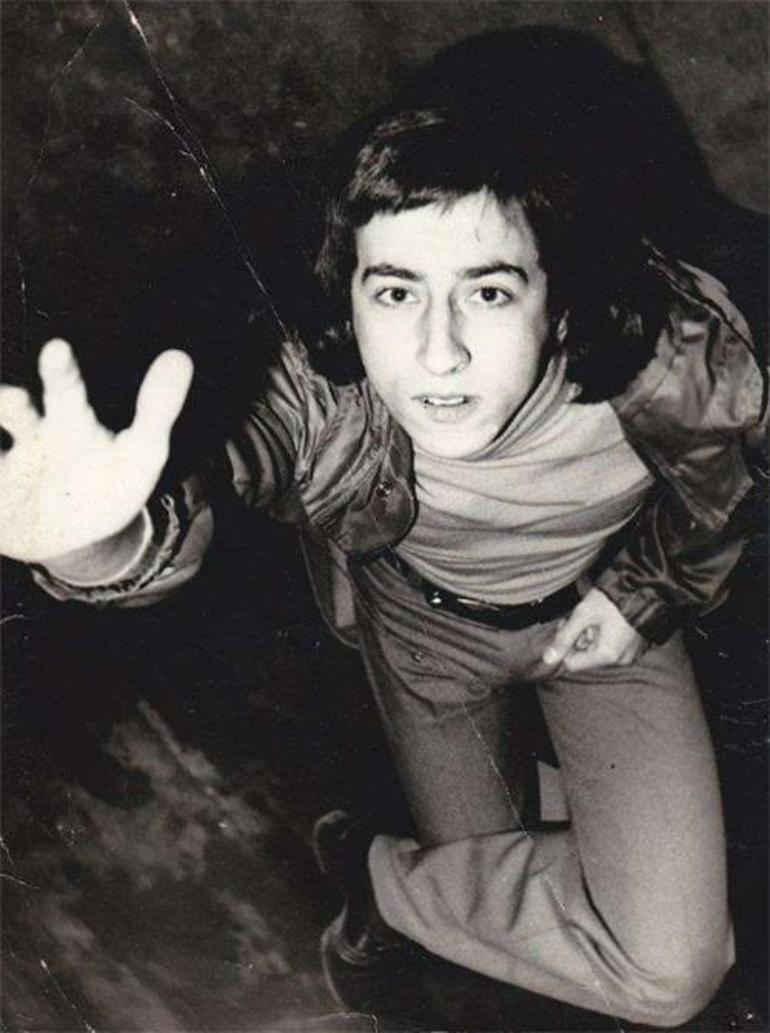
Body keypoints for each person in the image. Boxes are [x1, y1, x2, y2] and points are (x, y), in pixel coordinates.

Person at [0, 104, 765, 1027]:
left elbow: (727, 481)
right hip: (425, 635)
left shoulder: (676, 355)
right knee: (506, 885)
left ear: (559, 290)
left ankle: (378, 880)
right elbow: (224, 467)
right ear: (351, 291)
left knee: (669, 975)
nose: (438, 354)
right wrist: (94, 541)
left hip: (604, 628)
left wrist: (645, 592)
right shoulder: (322, 389)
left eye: (489, 292)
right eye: (396, 293)